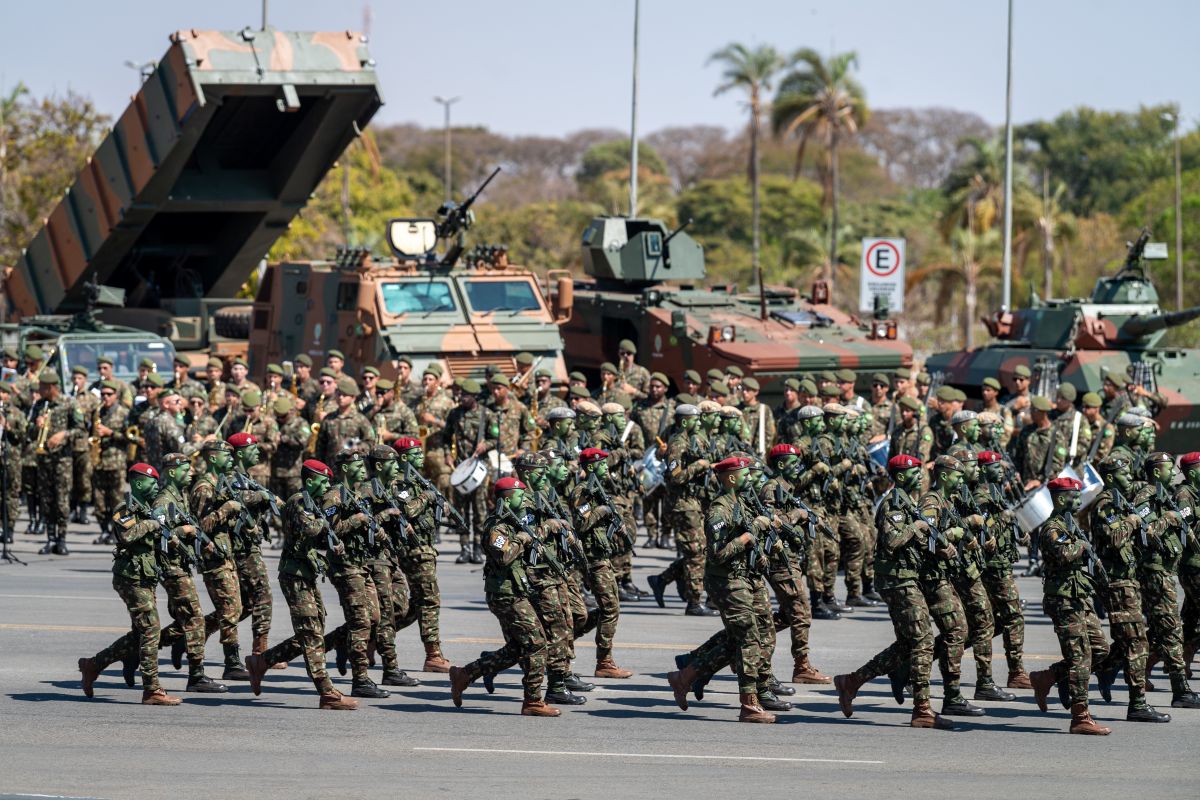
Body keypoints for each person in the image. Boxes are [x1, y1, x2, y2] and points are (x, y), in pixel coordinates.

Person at [833, 454, 954, 729]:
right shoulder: (893, 503)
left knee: (907, 644)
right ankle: (922, 709)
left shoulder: (909, 502)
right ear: (901, 476)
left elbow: (919, 539)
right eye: (915, 472)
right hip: (897, 580)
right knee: (923, 641)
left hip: (908, 577)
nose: (920, 476)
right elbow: (892, 539)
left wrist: (941, 546)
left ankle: (851, 681)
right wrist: (917, 526)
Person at [669, 456, 777, 723]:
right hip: (726, 581)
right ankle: (749, 703)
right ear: (730, 478)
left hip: (746, 577)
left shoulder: (742, 503)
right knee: (748, 638)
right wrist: (744, 540)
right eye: (744, 474)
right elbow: (717, 554)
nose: (750, 477)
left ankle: (686, 676)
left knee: (745, 637)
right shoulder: (720, 511)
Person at [245, 459, 358, 710]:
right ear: (310, 481)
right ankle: (326, 691)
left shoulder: (313, 505)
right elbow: (311, 529)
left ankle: (262, 662)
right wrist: (330, 530)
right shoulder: (299, 502)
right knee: (311, 632)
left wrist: (332, 542)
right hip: (294, 574)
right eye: (323, 480)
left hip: (306, 573)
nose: (328, 483)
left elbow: (318, 536)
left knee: (313, 629)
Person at [449, 476, 561, 717]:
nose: (525, 497)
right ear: (508, 498)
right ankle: (532, 701)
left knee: (517, 649)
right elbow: (504, 556)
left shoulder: (514, 522)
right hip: (505, 595)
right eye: (520, 494)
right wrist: (522, 538)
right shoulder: (496, 527)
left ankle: (465, 674)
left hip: (517, 590)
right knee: (537, 644)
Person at [77, 463, 182, 705]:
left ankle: (93, 665)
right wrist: (154, 524)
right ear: (137, 483)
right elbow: (127, 535)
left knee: (139, 634)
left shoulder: (148, 510)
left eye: (157, 481)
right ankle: (152, 689)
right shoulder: (125, 508)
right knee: (151, 630)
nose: (156, 485)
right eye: (151, 481)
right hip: (130, 578)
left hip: (146, 577)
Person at [1028, 477, 1114, 735]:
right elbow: (1064, 553)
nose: (1078, 501)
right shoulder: (1052, 528)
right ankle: (1080, 717)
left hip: (1079, 596)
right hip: (1063, 600)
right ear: (1060, 498)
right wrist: (1083, 544)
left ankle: (1048, 677)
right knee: (1080, 657)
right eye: (1073, 496)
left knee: (1099, 650)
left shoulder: (1071, 525)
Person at [1089, 453, 1171, 722]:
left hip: (1128, 579)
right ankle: (1137, 704)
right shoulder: (1105, 503)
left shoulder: (1121, 501)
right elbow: (1113, 537)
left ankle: (1059, 675)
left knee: (1131, 640)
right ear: (1111, 478)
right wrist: (1134, 522)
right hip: (1115, 582)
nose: (1130, 478)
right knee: (1136, 640)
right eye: (1125, 474)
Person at [1131, 451, 1200, 708]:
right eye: (1168, 468)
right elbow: (1140, 531)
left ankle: (1100, 669)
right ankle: (1180, 690)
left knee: (1170, 630)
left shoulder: (1163, 494)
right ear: (1156, 471)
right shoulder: (1147, 496)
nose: (1173, 472)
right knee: (1171, 631)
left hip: (1166, 570)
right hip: (1155, 571)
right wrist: (1166, 519)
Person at [648, 405, 718, 616]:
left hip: (694, 503)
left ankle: (663, 579)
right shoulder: (678, 444)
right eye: (695, 419)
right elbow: (676, 476)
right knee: (696, 553)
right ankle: (694, 602)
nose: (699, 422)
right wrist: (699, 466)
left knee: (698, 551)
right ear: (685, 421)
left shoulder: (694, 441)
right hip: (682, 505)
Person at [392, 436, 454, 674]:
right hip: (412, 548)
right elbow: (408, 509)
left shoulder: (419, 481)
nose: (421, 457)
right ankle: (433, 655)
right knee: (429, 601)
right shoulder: (400, 483)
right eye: (416, 454)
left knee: (420, 604)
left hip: (426, 547)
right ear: (404, 458)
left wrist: (441, 506)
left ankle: (375, 638)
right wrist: (428, 498)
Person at [570, 448, 634, 678]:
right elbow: (581, 524)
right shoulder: (582, 492)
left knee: (608, 608)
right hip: (590, 558)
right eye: (603, 465)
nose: (607, 468)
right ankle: (604, 662)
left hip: (601, 555)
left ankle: (563, 640)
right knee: (610, 608)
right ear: (591, 467)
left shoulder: (599, 491)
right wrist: (603, 511)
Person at [188, 440, 248, 681]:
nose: (232, 458)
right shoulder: (204, 488)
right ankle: (231, 661)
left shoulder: (221, 484)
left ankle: (188, 641)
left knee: (235, 608)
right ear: (213, 458)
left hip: (225, 554)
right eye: (227, 454)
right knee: (230, 609)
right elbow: (199, 527)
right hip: (212, 558)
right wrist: (227, 509)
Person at [32, 369, 85, 555]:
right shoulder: (39, 405)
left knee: (62, 500)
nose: (39, 390)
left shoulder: (69, 403)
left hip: (62, 460)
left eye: (42, 387)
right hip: (44, 459)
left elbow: (81, 428)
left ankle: (62, 539)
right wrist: (35, 425)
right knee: (46, 500)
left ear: (52, 387)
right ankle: (50, 538)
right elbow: (28, 431)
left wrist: (63, 434)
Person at [445, 379, 491, 563]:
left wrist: (485, 445)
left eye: (465, 395)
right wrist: (448, 454)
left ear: (474, 397)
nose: (461, 398)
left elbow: (496, 438)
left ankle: (478, 548)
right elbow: (445, 437)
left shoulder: (486, 415)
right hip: (460, 468)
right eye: (460, 395)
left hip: (479, 468)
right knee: (461, 511)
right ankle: (464, 548)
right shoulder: (454, 414)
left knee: (480, 512)